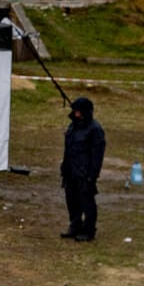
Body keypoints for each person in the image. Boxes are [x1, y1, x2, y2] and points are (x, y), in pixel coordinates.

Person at [60, 96, 106, 242]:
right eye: (75, 111)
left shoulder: (95, 130)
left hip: (84, 173)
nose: (76, 113)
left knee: (87, 202)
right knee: (72, 200)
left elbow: (97, 155)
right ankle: (75, 225)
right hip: (70, 171)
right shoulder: (72, 126)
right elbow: (68, 148)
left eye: (78, 111)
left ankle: (89, 230)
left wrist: (92, 175)